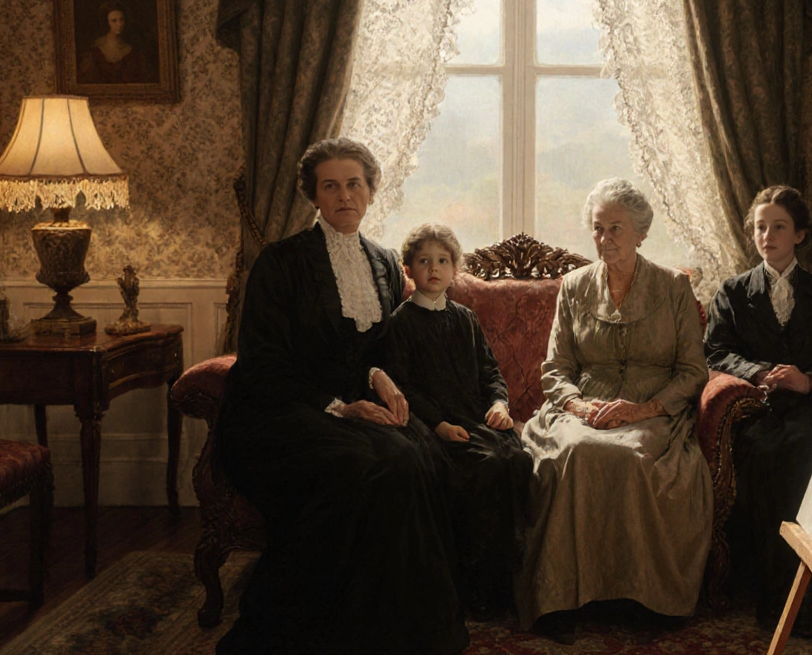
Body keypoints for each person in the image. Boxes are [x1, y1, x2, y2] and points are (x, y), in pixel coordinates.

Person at [215, 138, 468, 655]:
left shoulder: (381, 261)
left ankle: (397, 625)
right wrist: (340, 406)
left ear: (372, 192)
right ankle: (309, 624)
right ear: (314, 196)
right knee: (361, 462)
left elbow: (378, 349)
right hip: (278, 412)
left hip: (353, 407)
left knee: (415, 449)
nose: (344, 195)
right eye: (330, 185)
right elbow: (264, 364)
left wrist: (382, 379)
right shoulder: (280, 263)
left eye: (354, 184)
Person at [516, 178, 712, 643]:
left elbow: (692, 370)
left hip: (652, 409)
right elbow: (556, 368)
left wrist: (643, 408)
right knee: (576, 453)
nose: (604, 240)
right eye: (598, 229)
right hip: (583, 407)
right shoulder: (574, 286)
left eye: (616, 229)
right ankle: (562, 599)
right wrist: (579, 406)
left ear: (641, 232)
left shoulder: (673, 288)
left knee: (636, 458)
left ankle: (641, 597)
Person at [705, 185, 812, 634]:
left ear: (800, 234)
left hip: (808, 408)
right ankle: (771, 593)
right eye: (760, 227)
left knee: (803, 452)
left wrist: (808, 380)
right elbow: (716, 352)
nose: (767, 235)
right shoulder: (733, 292)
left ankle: (807, 599)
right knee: (765, 455)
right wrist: (760, 371)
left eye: (779, 227)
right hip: (757, 409)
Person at [387, 222, 533, 623]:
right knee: (487, 467)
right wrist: (437, 425)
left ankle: (509, 580)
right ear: (409, 270)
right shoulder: (402, 322)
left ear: (454, 269)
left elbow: (491, 371)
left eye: (442, 261)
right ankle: (475, 585)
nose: (433, 269)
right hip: (435, 425)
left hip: (476, 418)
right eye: (424, 261)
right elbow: (405, 388)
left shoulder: (465, 318)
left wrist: (500, 404)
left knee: (517, 460)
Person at [77, 1, 156, 84]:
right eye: (114, 21)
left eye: (121, 19)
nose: (119, 24)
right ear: (106, 22)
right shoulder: (95, 50)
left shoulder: (132, 53)